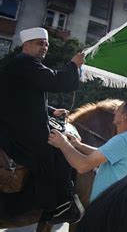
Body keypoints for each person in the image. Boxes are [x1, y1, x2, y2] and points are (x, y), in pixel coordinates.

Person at [0, 27, 85, 223]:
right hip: (18, 132)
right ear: (26, 45)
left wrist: (51, 110)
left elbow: (25, 99)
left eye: (46, 44)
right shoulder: (25, 62)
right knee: (59, 148)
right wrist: (73, 64)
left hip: (17, 125)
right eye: (40, 43)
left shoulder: (24, 64)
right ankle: (56, 205)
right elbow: (54, 80)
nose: (45, 47)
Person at [48, 98, 127, 205]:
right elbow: (102, 153)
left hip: (106, 207)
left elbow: (82, 166)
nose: (115, 112)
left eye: (118, 110)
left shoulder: (122, 140)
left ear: (124, 117)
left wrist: (63, 144)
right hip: (112, 204)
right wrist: (78, 145)